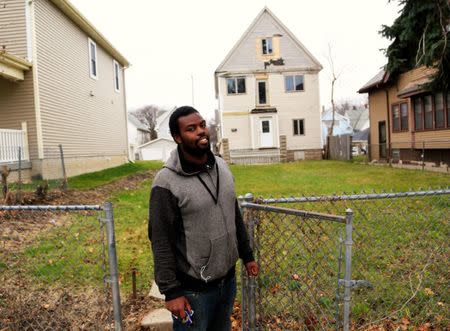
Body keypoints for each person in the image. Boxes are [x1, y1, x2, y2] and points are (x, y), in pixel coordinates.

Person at [148, 106, 259, 330]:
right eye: (191, 129)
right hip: (193, 291)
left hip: (227, 282)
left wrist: (247, 255)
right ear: (177, 137)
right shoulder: (166, 182)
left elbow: (233, 212)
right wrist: (171, 292)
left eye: (202, 125)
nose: (201, 132)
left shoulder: (222, 166)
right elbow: (160, 240)